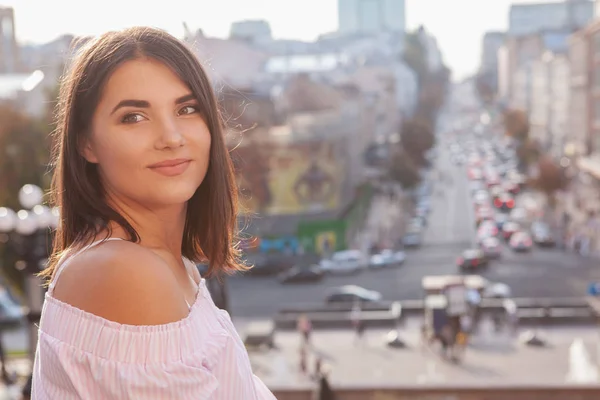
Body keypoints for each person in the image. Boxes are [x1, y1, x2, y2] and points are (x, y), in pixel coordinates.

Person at [31, 27, 275, 399]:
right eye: (134, 117)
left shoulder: (168, 265)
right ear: (86, 142)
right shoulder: (125, 271)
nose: (172, 136)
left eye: (187, 109)